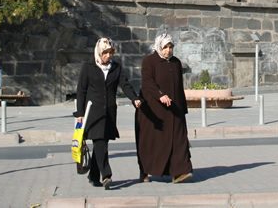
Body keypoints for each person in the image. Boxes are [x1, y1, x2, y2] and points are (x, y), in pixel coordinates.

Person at [75, 38, 141, 190]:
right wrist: (80, 112)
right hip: (93, 112)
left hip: (109, 111)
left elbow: (125, 84)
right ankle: (106, 175)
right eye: (105, 52)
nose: (108, 55)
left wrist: (134, 99)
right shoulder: (88, 67)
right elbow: (81, 90)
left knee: (102, 143)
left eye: (111, 52)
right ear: (99, 52)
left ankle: (93, 176)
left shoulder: (116, 68)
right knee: (100, 142)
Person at [135, 33, 194, 184]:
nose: (168, 50)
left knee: (178, 140)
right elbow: (147, 82)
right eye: (165, 47)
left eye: (170, 47)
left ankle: (180, 172)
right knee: (152, 143)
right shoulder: (149, 61)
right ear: (159, 47)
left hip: (174, 110)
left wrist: (182, 109)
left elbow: (180, 87)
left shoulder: (175, 63)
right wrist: (160, 95)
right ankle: (145, 171)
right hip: (154, 111)